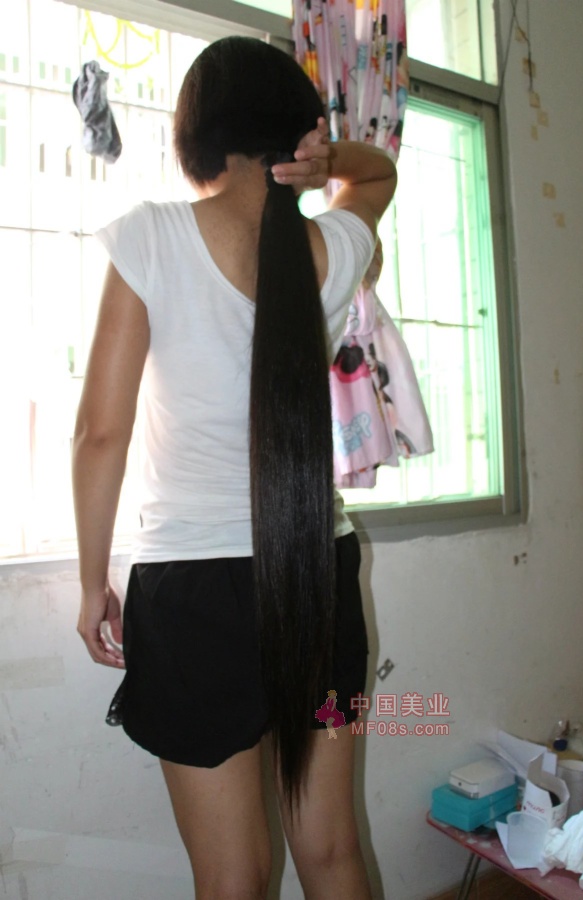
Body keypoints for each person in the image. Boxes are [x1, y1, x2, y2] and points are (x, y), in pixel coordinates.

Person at [72, 35, 397, 900]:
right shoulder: (332, 247)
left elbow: (100, 435)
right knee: (332, 851)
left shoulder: (152, 237)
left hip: (191, 592)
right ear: (295, 132)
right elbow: (378, 177)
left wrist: (93, 583)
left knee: (231, 876)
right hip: (315, 571)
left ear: (195, 136)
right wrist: (329, 160)